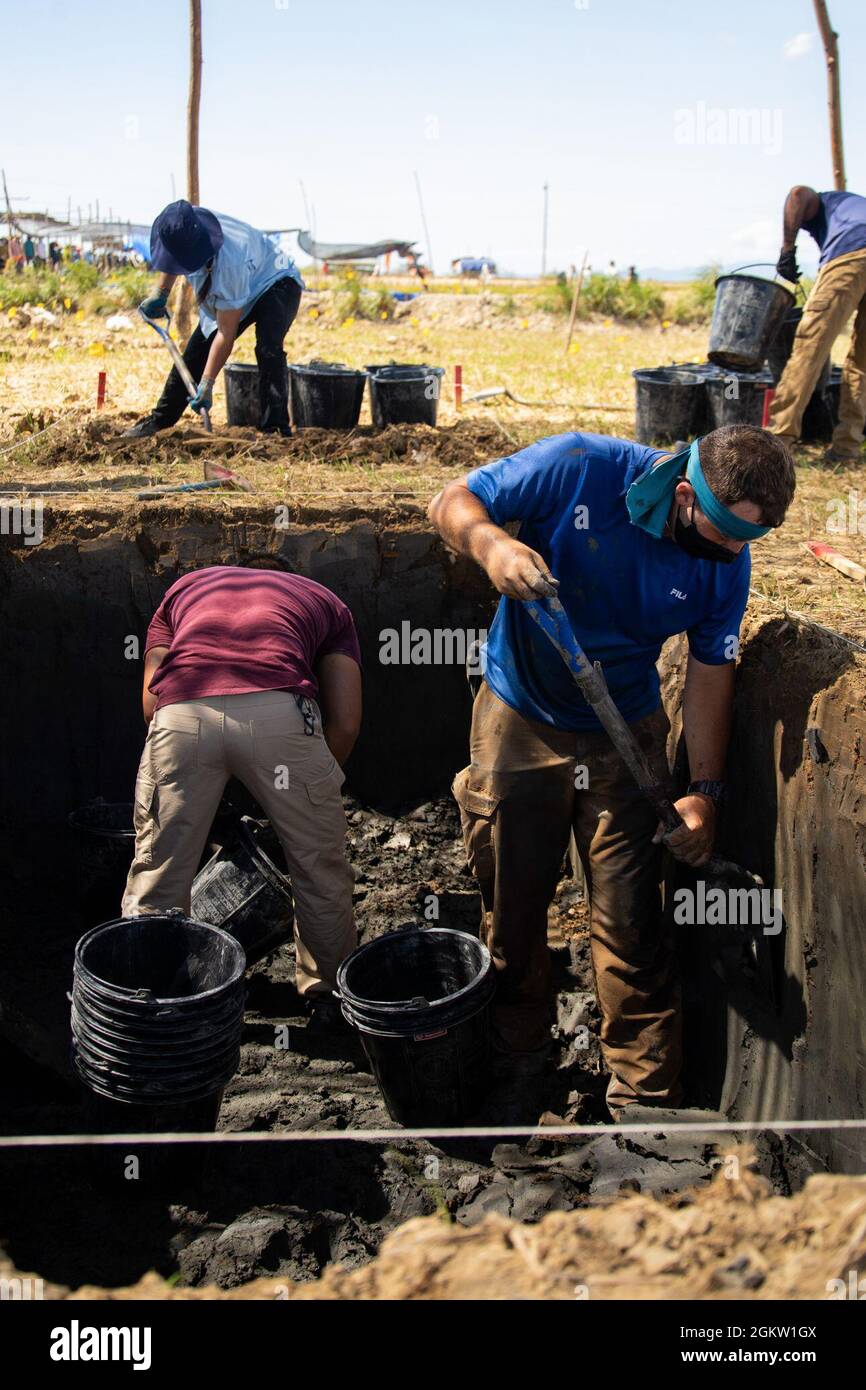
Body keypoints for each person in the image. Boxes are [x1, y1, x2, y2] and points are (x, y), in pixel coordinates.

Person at [428, 426, 795, 1118]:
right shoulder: (580, 469)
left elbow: (712, 673)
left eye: (751, 539)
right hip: (522, 712)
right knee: (514, 904)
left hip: (627, 726)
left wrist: (706, 794)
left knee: (634, 923)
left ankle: (646, 1099)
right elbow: (452, 500)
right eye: (722, 533)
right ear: (684, 493)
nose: (733, 554)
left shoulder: (727, 562)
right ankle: (518, 1054)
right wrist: (492, 544)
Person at [122, 556, 362, 1015]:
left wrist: (202, 790)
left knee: (158, 869)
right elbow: (346, 721)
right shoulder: (325, 601)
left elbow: (153, 702)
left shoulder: (184, 589)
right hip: (281, 714)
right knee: (318, 868)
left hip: (183, 714)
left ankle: (148, 1001)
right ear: (291, 577)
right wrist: (310, 786)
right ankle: (328, 995)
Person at [123, 200, 304, 438]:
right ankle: (160, 420)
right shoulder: (184, 225)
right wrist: (162, 293)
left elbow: (225, 333)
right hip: (244, 278)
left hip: (277, 281)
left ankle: (275, 428)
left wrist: (207, 384)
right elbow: (173, 256)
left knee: (268, 346)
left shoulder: (230, 262)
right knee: (195, 352)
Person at [769, 184, 866, 463]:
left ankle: (779, 441)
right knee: (862, 362)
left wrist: (787, 250)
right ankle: (847, 447)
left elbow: (798, 194)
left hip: (852, 252)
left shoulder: (826, 202)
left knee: (810, 347)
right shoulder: (854, 206)